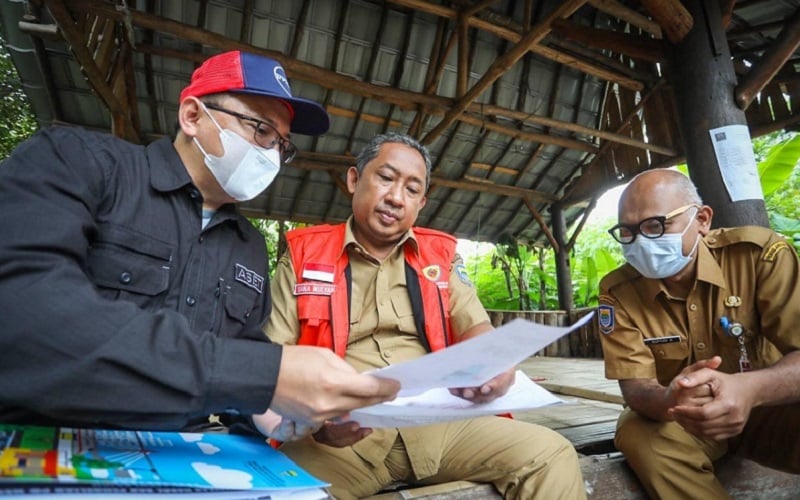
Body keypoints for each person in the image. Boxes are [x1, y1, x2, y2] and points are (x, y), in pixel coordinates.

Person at [0, 50, 398, 434]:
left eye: (282, 144)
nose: (271, 154)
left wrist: (276, 413)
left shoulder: (250, 248)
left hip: (182, 454)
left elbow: (239, 379)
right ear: (192, 116)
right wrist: (264, 374)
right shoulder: (82, 164)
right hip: (45, 438)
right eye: (260, 129)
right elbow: (21, 311)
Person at [264, 132, 587, 499]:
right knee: (282, 493)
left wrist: (495, 364)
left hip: (441, 425)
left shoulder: (441, 256)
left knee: (551, 454)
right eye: (385, 178)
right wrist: (318, 421)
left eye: (412, 189)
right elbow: (276, 356)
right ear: (354, 180)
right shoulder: (304, 255)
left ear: (422, 202)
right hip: (340, 437)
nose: (396, 198)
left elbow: (476, 328)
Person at [598, 168, 800, 498]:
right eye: (628, 231)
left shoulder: (759, 256)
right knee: (637, 434)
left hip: (770, 409)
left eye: (656, 225)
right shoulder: (618, 292)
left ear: (702, 219)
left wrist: (749, 390)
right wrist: (670, 398)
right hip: (685, 421)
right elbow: (635, 388)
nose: (642, 242)